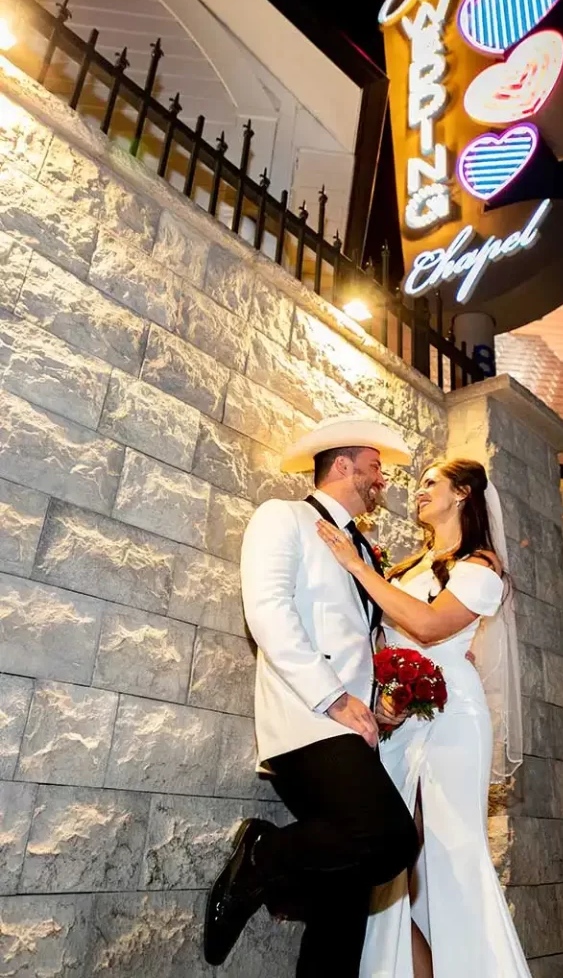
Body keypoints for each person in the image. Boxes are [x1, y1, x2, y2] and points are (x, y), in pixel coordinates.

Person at [204, 416, 419, 976]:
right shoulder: (284, 517)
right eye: (375, 469)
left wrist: (377, 704)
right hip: (308, 721)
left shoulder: (365, 552)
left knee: (346, 906)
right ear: (342, 465)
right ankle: (262, 857)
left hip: (353, 726)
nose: (382, 482)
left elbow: (358, 638)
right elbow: (269, 611)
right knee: (391, 841)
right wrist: (333, 698)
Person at [316, 457, 529, 978]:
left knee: (450, 851)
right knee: (394, 854)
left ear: (462, 494)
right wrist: (386, 696)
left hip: (454, 716)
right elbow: (385, 640)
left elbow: (432, 627)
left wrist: (357, 567)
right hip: (402, 723)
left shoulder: (481, 567)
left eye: (431, 482)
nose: (419, 490)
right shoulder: (407, 568)